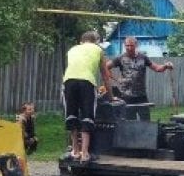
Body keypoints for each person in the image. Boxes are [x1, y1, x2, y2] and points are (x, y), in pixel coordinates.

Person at [62, 30, 112, 163]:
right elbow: (105, 76)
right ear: (96, 41)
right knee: (87, 116)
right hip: (87, 82)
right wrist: (111, 97)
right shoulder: (98, 49)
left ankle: (75, 151)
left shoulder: (72, 49)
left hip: (69, 81)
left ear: (81, 41)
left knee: (71, 115)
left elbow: (75, 67)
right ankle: (85, 154)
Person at [107, 37, 173, 105]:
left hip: (141, 95)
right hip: (126, 95)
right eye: (127, 45)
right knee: (128, 115)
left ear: (136, 45)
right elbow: (106, 67)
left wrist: (165, 66)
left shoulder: (143, 57)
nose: (129, 48)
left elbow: (157, 68)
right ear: (124, 46)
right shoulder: (120, 58)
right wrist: (115, 79)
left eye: (131, 45)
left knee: (145, 115)